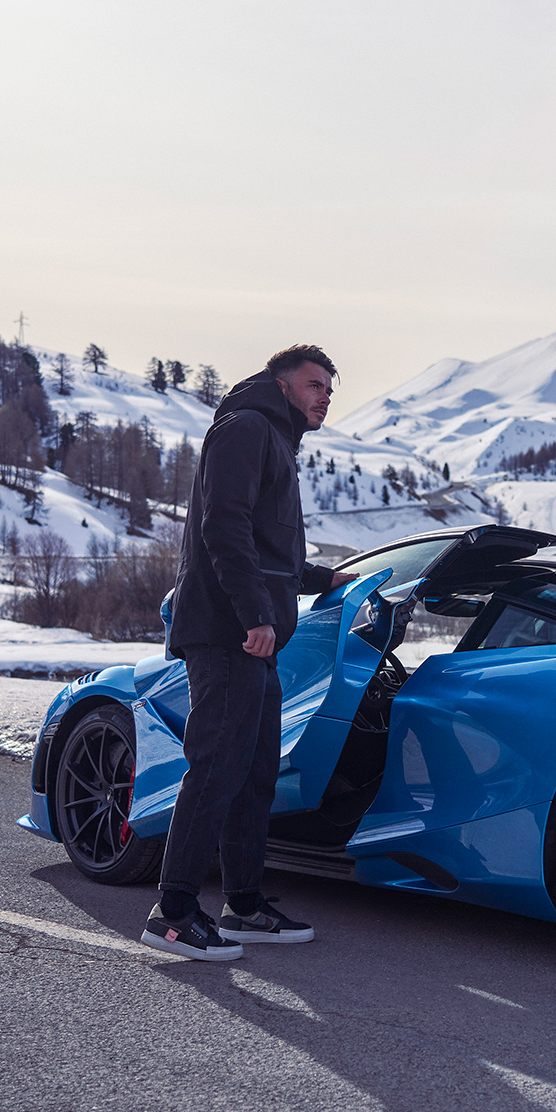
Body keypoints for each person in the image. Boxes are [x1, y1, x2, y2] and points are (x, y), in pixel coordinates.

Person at [141, 344, 356, 961]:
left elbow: (267, 549)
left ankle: (243, 905)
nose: (324, 397)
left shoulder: (275, 440)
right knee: (217, 767)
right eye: (315, 385)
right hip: (228, 630)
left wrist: (324, 579)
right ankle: (173, 914)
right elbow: (224, 526)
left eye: (330, 389)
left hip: (252, 636)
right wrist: (255, 614)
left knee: (255, 773)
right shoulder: (246, 428)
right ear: (282, 384)